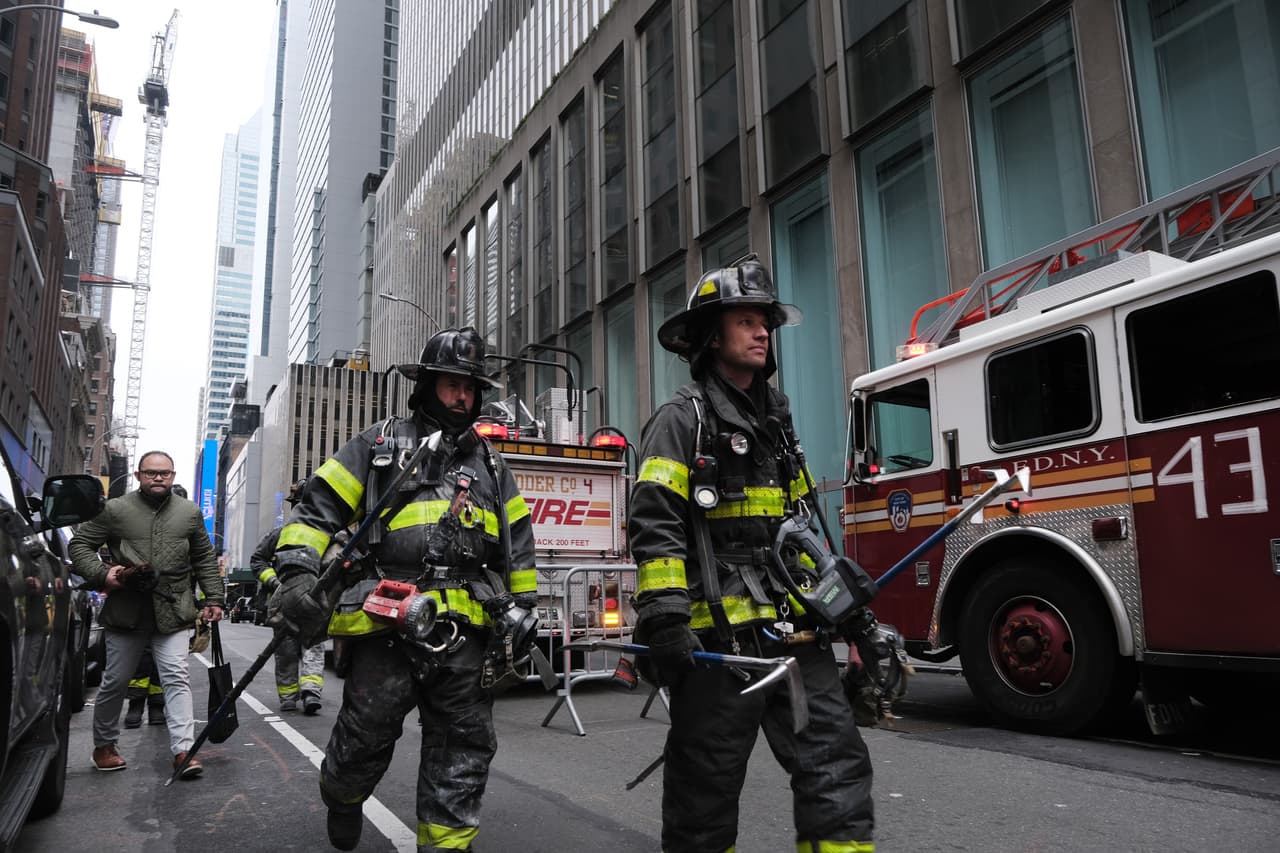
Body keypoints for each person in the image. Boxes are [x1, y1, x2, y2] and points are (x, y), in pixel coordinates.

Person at [627, 255, 876, 853]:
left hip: (796, 636)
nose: (763, 331)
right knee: (703, 795)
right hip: (720, 646)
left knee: (837, 772)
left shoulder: (778, 425)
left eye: (765, 321)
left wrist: (855, 618)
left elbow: (805, 533)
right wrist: (666, 618)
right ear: (712, 336)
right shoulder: (681, 420)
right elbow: (655, 523)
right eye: (746, 320)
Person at [269, 327, 537, 852]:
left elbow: (519, 543)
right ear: (427, 385)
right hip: (385, 619)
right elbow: (317, 509)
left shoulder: (491, 464)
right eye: (452, 384)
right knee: (364, 735)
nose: (462, 397)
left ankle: (446, 844)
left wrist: (523, 611)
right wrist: (299, 571)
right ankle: (343, 795)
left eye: (470, 387)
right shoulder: (380, 444)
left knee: (463, 747)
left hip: (466, 633)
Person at [70, 451, 225, 779]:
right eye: (151, 472)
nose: (158, 478)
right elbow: (80, 545)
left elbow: (204, 558)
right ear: (138, 475)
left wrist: (214, 597)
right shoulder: (114, 509)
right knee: (115, 681)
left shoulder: (190, 512)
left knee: (176, 678)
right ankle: (104, 746)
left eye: (164, 473)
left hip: (173, 611)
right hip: (126, 611)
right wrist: (103, 574)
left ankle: (184, 751)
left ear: (173, 476)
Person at [251, 477, 325, 714]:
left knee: (313, 646)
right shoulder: (279, 535)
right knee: (286, 649)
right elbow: (258, 561)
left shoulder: (325, 533)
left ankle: (311, 692)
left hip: (313, 600)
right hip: (284, 601)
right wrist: (275, 582)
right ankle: (288, 696)